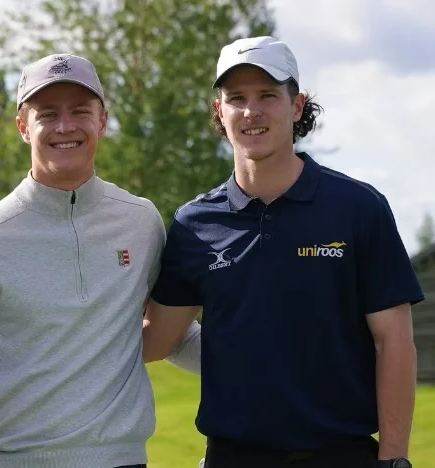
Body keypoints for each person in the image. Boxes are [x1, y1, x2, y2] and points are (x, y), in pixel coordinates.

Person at [142, 36, 423, 468]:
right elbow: (156, 340)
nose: (251, 111)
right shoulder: (194, 223)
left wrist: (394, 459)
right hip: (231, 458)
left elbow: (394, 341)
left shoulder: (359, 208)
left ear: (297, 106)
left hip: (341, 456)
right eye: (236, 98)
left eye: (267, 95)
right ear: (219, 111)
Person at [0, 53, 201, 468]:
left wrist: (265, 362)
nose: (65, 127)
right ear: (23, 127)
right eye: (47, 114)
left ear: (102, 121)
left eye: (80, 111)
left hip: (122, 461)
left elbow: (171, 333)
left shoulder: (142, 221)